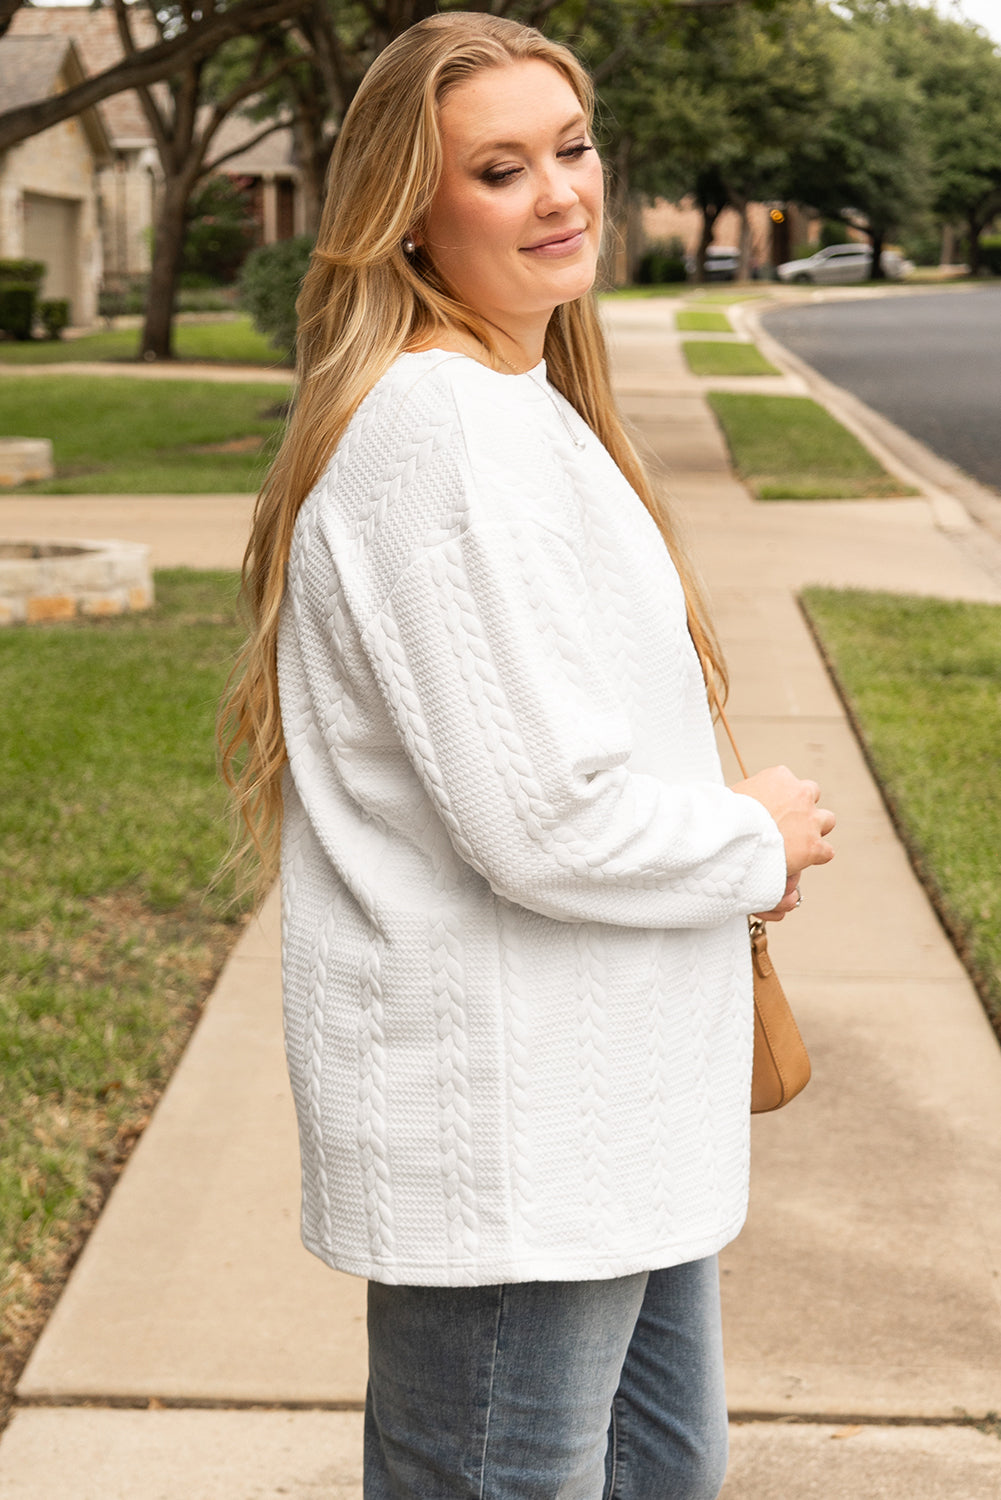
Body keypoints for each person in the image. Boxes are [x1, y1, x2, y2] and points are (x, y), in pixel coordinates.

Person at [219, 12, 835, 1498]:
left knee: (659, 1472)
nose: (559, 191)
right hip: (517, 1127)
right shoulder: (443, 431)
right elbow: (540, 822)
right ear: (409, 218)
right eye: (499, 169)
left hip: (610, 1107)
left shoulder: (517, 405)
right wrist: (753, 834)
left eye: (568, 147)